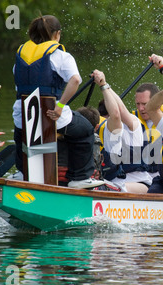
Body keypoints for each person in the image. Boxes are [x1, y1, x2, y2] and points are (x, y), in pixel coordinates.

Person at [12, 15, 103, 189]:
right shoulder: (60, 56)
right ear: (57, 34)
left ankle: (22, 172)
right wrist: (60, 106)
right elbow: (75, 80)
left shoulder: (20, 55)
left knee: (19, 133)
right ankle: (79, 178)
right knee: (85, 130)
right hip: (50, 116)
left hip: (22, 115)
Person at [92, 70, 153, 193]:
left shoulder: (133, 124)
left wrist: (104, 85)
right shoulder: (101, 131)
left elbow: (118, 110)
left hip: (139, 183)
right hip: (112, 182)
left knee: (114, 188)